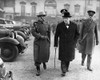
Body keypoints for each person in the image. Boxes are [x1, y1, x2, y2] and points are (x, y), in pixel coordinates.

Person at [54, 11, 79, 76]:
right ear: (63, 18)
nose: (66, 19)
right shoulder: (59, 25)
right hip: (63, 44)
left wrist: (75, 41)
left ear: (69, 18)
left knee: (69, 58)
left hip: (71, 44)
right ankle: (63, 70)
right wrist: (55, 44)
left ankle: (66, 67)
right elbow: (56, 35)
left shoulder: (74, 25)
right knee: (63, 58)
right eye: (65, 18)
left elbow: (77, 34)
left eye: (67, 18)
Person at [31, 12, 51, 76]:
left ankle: (44, 62)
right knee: (37, 55)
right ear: (38, 17)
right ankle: (38, 69)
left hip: (45, 41)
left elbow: (49, 33)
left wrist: (49, 41)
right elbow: (33, 32)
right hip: (38, 41)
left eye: (43, 16)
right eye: (40, 16)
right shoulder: (35, 24)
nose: (42, 17)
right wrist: (40, 36)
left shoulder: (47, 24)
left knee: (44, 54)